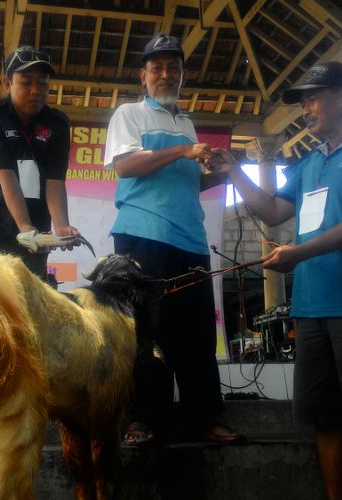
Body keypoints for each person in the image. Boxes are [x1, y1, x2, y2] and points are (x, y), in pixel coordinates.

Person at [208, 62, 342, 499]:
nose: (305, 109)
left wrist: (299, 253)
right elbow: (271, 211)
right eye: (303, 101)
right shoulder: (308, 163)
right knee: (324, 418)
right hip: (311, 307)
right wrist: (234, 171)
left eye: (313, 97)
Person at [103, 33, 240, 446]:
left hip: (191, 241)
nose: (166, 75)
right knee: (148, 333)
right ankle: (143, 419)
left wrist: (216, 168)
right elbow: (126, 166)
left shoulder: (185, 123)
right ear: (143, 76)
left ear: (182, 76)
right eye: (157, 68)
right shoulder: (129, 114)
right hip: (144, 237)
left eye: (173, 68)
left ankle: (206, 417)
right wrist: (183, 152)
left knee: (197, 334)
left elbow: (183, 185)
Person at [0, 45, 80, 278]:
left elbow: (55, 182)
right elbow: (6, 176)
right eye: (26, 82)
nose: (36, 90)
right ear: (8, 83)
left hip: (34, 238)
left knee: (25, 308)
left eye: (43, 83)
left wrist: (62, 225)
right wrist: (24, 227)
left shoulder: (58, 124)